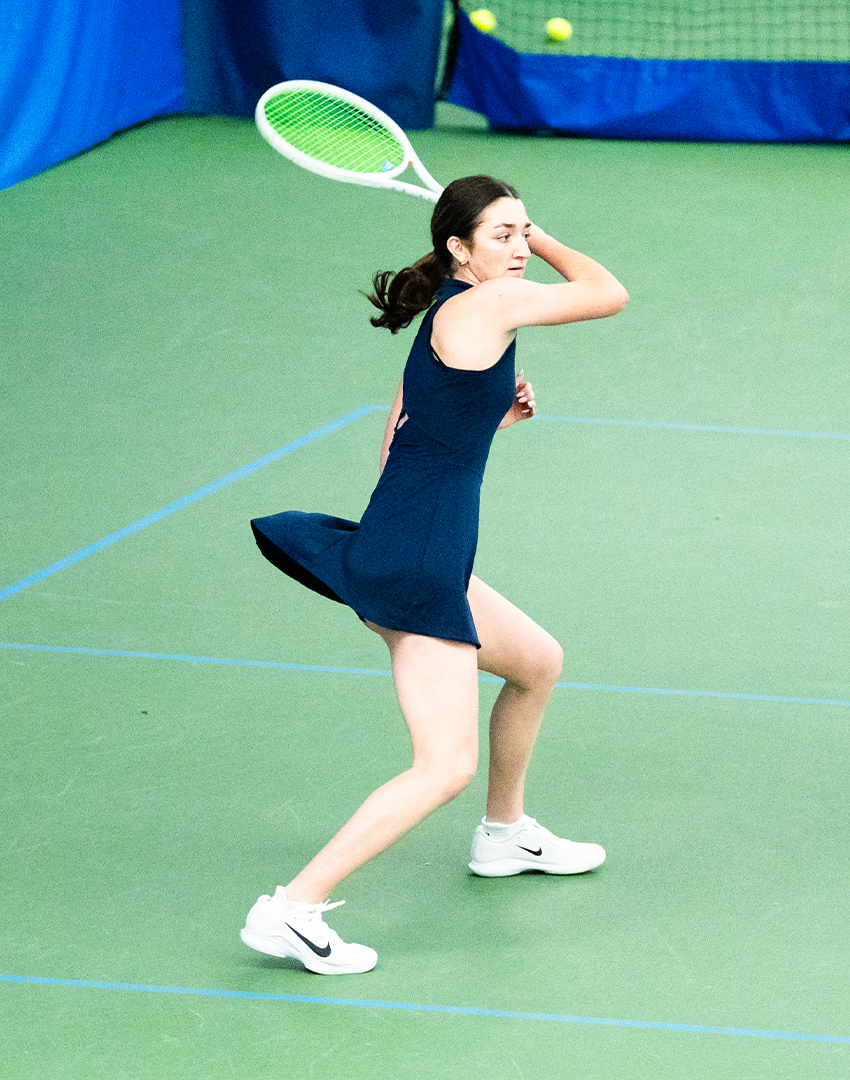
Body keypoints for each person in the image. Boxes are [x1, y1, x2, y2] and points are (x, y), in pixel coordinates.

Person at [242, 175, 629, 974]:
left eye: (525, 231)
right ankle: (292, 909)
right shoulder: (491, 303)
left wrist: (488, 419)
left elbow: (403, 439)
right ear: (459, 248)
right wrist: (549, 237)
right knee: (443, 765)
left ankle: (504, 835)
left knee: (536, 663)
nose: (520, 248)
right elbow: (607, 294)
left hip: (415, 543)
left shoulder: (448, 317)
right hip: (419, 563)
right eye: (504, 235)